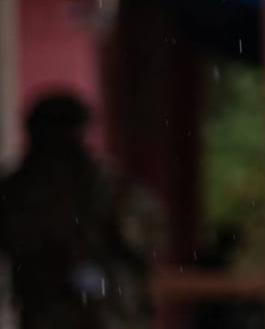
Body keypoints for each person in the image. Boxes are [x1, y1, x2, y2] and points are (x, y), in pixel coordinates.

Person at [0, 94, 160, 329]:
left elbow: (147, 237)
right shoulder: (20, 190)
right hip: (51, 309)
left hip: (103, 309)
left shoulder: (107, 187)